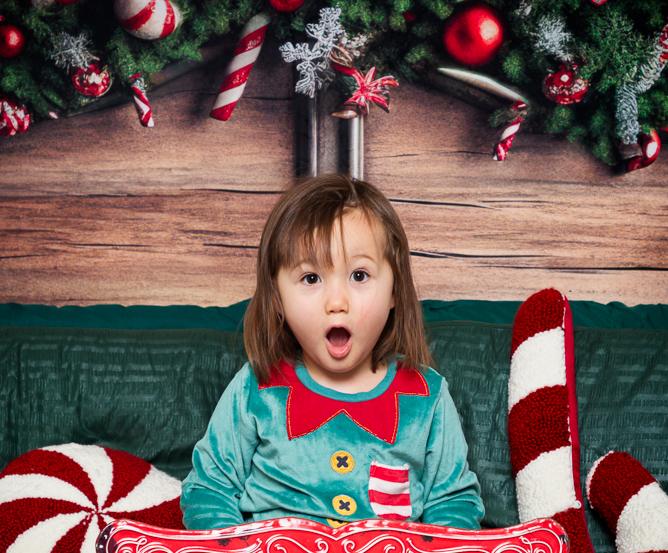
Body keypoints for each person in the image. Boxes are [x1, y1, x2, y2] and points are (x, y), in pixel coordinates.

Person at [180, 173, 484, 530]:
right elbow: (210, 489)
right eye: (311, 279)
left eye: (359, 276)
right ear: (277, 298)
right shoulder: (257, 388)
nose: (336, 303)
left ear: (394, 292)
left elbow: (453, 503)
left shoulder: (426, 396)